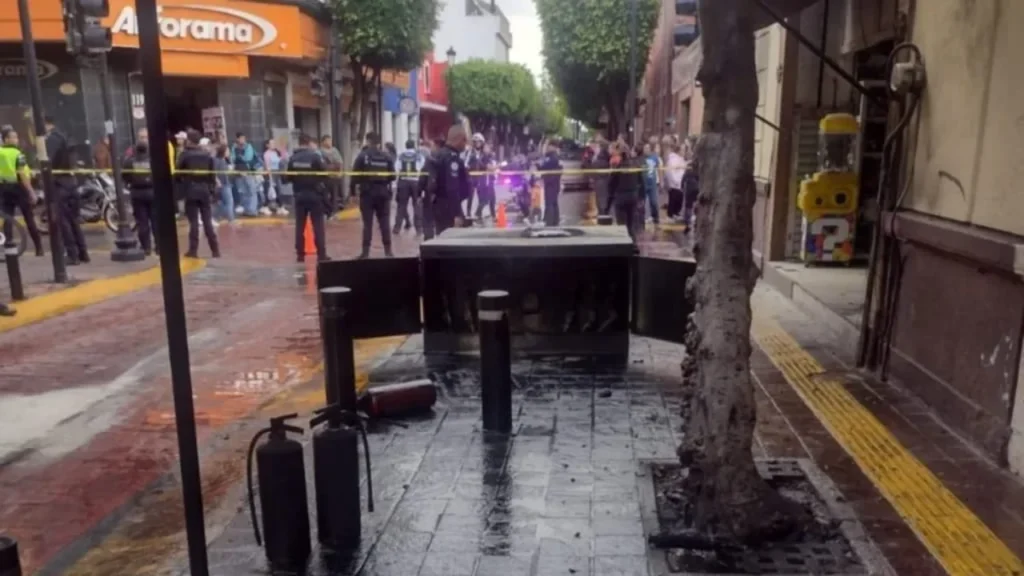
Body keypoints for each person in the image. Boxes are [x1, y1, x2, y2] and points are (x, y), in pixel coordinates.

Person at [45, 116, 89, 264]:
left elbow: (48, 161)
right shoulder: (64, 138)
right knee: (74, 220)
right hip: (71, 183)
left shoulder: (52, 140)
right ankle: (83, 253)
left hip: (60, 184)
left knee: (64, 222)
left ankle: (72, 255)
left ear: (46, 124)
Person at [350, 132, 396, 259]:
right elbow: (393, 176)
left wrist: (353, 192)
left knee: (367, 224)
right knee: (384, 222)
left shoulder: (362, 156)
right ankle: (388, 251)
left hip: (367, 194)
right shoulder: (386, 156)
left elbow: (354, 176)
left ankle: (365, 252)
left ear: (368, 141)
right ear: (379, 142)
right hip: (383, 193)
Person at [285, 133, 330, 263]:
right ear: (309, 143)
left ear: (299, 143)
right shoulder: (315, 157)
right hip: (315, 195)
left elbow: (288, 177)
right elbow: (325, 174)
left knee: (300, 226)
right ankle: (321, 254)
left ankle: (300, 255)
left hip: (299, 195)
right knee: (318, 226)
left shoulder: (293, 158)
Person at [176, 130, 220, 258]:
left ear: (189, 141)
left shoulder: (185, 154)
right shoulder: (206, 155)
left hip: (191, 190)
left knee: (194, 222)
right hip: (204, 190)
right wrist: (211, 190)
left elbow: (178, 172)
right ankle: (215, 250)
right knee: (207, 221)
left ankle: (193, 250)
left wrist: (182, 184)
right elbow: (212, 175)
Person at [0, 127, 43, 256]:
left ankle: (9, 246)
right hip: (19, 188)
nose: (16, 139)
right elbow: (22, 174)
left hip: (4, 188)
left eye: (16, 137)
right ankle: (38, 247)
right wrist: (31, 191)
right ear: (6, 139)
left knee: (8, 218)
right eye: (13, 137)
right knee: (29, 218)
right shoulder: (18, 154)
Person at [425, 126, 469, 236]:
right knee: (452, 239)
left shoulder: (438, 154)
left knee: (442, 236)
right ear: (459, 139)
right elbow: (452, 188)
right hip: (448, 208)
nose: (465, 144)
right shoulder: (452, 158)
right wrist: (457, 214)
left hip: (439, 205)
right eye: (465, 140)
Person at [121, 141, 158, 255]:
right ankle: (159, 246)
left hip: (137, 193)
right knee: (155, 221)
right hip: (152, 192)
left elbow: (124, 176)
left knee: (142, 222)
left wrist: (130, 183)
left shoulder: (129, 161)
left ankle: (146, 247)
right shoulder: (152, 160)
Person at [608, 143, 644, 241]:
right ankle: (633, 244)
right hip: (633, 197)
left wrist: (609, 202)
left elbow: (611, 184)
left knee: (622, 226)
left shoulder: (618, 167)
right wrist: (641, 196)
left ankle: (624, 245)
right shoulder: (635, 165)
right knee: (631, 225)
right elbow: (641, 181)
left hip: (621, 198)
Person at [393, 139, 424, 236]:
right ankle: (419, 228)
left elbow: (396, 169)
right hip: (415, 182)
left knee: (401, 205)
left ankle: (397, 227)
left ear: (405, 146)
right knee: (417, 205)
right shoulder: (419, 156)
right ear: (413, 146)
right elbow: (423, 168)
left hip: (403, 182)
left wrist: (397, 182)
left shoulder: (400, 156)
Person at [230, 132, 261, 217]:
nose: (243, 140)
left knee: (251, 190)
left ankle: (252, 210)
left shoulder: (248, 146)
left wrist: (239, 157)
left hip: (248, 171)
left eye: (244, 138)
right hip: (238, 172)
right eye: (241, 138)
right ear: (237, 139)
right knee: (242, 191)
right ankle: (247, 209)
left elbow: (248, 158)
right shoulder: (234, 147)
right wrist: (239, 158)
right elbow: (232, 158)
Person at [536, 139, 563, 227]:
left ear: (553, 147)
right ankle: (555, 221)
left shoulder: (553, 157)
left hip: (551, 182)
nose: (547, 147)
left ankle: (550, 222)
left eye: (549, 145)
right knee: (553, 202)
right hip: (553, 182)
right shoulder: (555, 156)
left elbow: (543, 166)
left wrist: (538, 165)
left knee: (550, 202)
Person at [320, 135, 344, 210]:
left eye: (330, 140)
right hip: (324, 177)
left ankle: (334, 209)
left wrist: (340, 172)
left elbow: (340, 163)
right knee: (324, 195)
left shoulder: (334, 150)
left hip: (334, 177)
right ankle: (326, 210)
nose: (330, 142)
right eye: (328, 140)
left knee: (334, 195)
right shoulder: (320, 152)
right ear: (323, 142)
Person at [664, 141, 686, 223]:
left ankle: (675, 213)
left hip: (680, 183)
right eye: (683, 150)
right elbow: (670, 172)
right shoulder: (673, 159)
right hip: (674, 184)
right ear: (679, 150)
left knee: (679, 200)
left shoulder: (681, 159)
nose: (684, 152)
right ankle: (669, 215)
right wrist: (674, 181)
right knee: (673, 200)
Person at [475, 143, 497, 220]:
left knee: (492, 199)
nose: (488, 149)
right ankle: (477, 214)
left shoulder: (489, 157)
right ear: (483, 149)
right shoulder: (484, 157)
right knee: (485, 200)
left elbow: (491, 168)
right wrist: (497, 166)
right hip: (485, 181)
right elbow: (489, 168)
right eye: (486, 147)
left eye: (489, 147)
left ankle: (493, 216)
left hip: (489, 181)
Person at [213, 144, 234, 226]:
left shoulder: (225, 160)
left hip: (226, 182)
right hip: (221, 183)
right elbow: (213, 172)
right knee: (228, 201)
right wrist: (217, 181)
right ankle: (230, 219)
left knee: (224, 202)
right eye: (227, 151)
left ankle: (222, 217)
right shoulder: (217, 160)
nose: (229, 152)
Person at [642, 142, 662, 226]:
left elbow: (659, 169)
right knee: (643, 203)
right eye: (644, 148)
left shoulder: (655, 157)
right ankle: (643, 218)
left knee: (654, 202)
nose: (645, 150)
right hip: (643, 184)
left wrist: (661, 181)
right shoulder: (641, 158)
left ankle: (656, 218)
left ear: (650, 149)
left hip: (652, 184)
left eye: (647, 148)